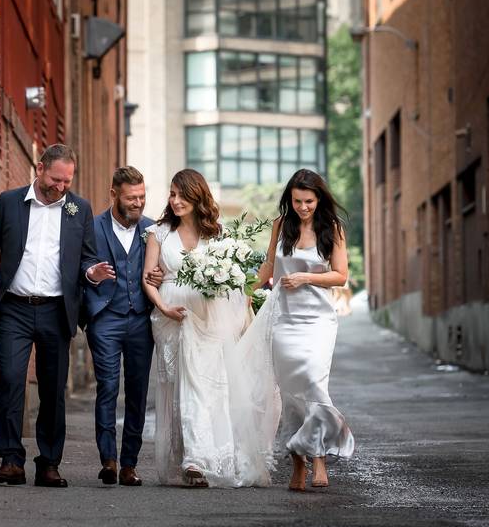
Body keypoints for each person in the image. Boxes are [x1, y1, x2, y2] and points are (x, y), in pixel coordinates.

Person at [0, 144, 115, 488]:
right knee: (12, 382)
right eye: (55, 179)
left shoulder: (79, 209)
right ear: (39, 168)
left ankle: (49, 463)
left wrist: (92, 273)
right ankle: (10, 460)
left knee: (52, 390)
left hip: (56, 310)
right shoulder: (9, 202)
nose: (61, 187)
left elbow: (85, 259)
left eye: (67, 181)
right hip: (14, 309)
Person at [142, 169, 279, 488]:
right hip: (173, 313)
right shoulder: (158, 233)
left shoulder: (216, 234)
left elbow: (232, 277)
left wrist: (236, 297)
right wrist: (163, 307)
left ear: (196, 195)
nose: (175, 200)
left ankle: (202, 459)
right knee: (182, 387)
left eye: (181, 194)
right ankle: (190, 457)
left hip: (210, 316)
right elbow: (148, 278)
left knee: (210, 386)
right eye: (172, 194)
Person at [255, 168, 355, 491]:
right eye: (297, 201)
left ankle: (319, 455)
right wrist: (241, 289)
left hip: (318, 321)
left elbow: (340, 275)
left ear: (319, 198)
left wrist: (306, 277)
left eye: (309, 201)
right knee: (290, 393)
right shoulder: (281, 226)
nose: (303, 207)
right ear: (290, 199)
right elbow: (270, 266)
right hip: (284, 319)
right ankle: (299, 461)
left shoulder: (333, 228)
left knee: (313, 382)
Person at [82, 166, 160, 486]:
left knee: (138, 393)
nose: (138, 203)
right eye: (131, 198)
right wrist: (92, 274)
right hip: (106, 318)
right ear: (113, 194)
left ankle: (129, 463)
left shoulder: (152, 229)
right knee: (108, 388)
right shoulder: (92, 227)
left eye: (141, 197)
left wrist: (160, 277)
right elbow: (78, 263)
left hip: (141, 319)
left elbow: (163, 267)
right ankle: (109, 460)